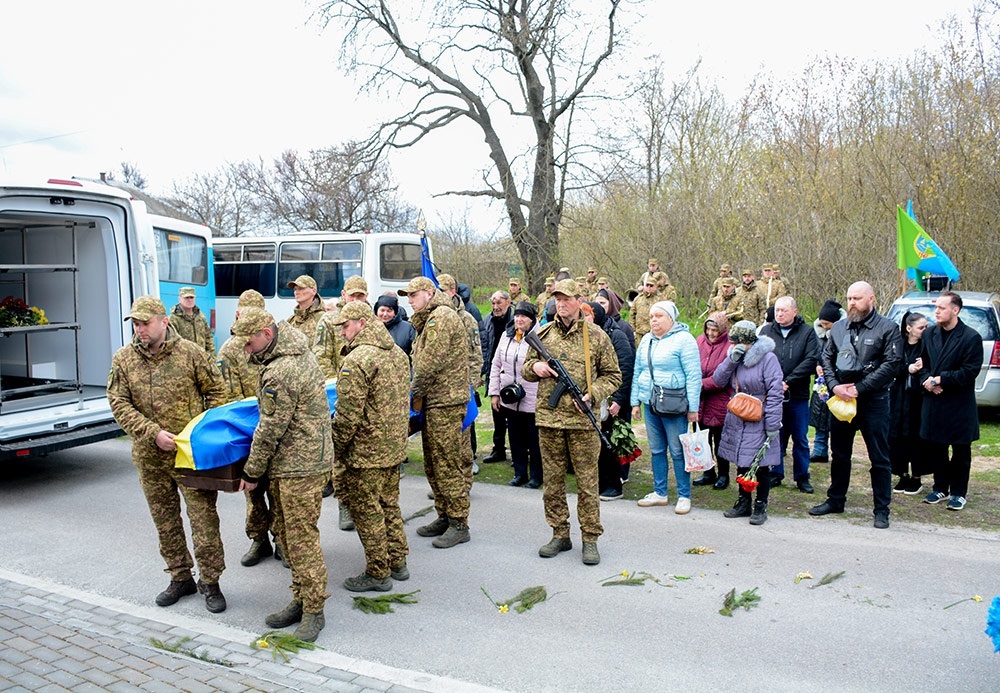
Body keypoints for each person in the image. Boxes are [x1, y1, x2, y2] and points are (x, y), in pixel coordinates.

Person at [107, 296, 228, 612]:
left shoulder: (190, 353)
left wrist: (200, 435)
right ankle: (180, 577)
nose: (140, 329)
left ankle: (211, 582)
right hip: (150, 457)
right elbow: (118, 403)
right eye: (135, 323)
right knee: (166, 522)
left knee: (203, 521)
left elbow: (218, 393)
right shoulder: (124, 359)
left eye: (145, 322)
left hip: (190, 457)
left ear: (164, 321)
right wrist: (152, 432)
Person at [236, 307, 334, 643]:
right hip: (297, 460)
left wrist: (252, 469)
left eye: (249, 343)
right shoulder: (296, 348)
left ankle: (314, 610)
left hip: (300, 465)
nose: (247, 350)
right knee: (289, 536)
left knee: (301, 539)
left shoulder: (281, 369)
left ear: (266, 332)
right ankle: (301, 597)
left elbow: (270, 426)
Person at [522, 279, 621, 566]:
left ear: (580, 300)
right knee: (552, 483)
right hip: (550, 420)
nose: (561, 304)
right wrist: (536, 367)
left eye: (566, 299)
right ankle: (559, 534)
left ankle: (590, 539)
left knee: (588, 484)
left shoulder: (596, 336)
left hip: (582, 424)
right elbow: (527, 369)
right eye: (557, 299)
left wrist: (593, 395)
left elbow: (613, 375)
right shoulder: (542, 334)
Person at [330, 302, 412, 591]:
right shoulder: (397, 354)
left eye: (346, 325)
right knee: (389, 504)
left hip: (365, 452)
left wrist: (335, 448)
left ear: (362, 323)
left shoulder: (357, 360)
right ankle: (398, 561)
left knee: (367, 511)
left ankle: (378, 572)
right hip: (392, 446)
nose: (342, 332)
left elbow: (348, 414)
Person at [809, 281, 902, 529]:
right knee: (839, 454)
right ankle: (835, 500)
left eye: (857, 298)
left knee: (879, 457)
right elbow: (826, 358)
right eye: (849, 298)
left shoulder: (888, 328)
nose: (851, 303)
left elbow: (891, 364)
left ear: (871, 299)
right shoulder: (839, 328)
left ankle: (882, 509)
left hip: (874, 401)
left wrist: (860, 389)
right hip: (842, 398)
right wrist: (834, 386)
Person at [399, 276, 473, 548]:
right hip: (434, 400)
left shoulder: (441, 317)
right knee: (433, 461)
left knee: (446, 461)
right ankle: (444, 515)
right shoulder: (430, 318)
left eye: (414, 294)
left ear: (429, 293)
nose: (409, 300)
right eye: (407, 296)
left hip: (445, 401)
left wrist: (413, 395)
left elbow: (429, 363)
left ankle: (459, 522)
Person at [216, 290, 279, 568]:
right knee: (252, 492)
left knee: (278, 490)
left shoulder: (275, 344)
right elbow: (225, 394)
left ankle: (283, 541)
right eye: (243, 312)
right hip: (245, 427)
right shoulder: (230, 349)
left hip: (274, 426)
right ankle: (259, 540)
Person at [630, 301, 701, 514]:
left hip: (674, 404)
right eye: (651, 316)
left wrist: (693, 408)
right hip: (650, 403)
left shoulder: (685, 340)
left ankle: (684, 495)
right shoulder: (646, 340)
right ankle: (660, 492)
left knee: (678, 450)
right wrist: (635, 401)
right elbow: (638, 371)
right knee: (657, 449)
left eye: (659, 316)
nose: (654, 319)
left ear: (671, 318)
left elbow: (693, 376)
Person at [712, 320, 784, 525]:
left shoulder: (768, 359)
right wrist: (730, 361)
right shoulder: (735, 357)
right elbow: (718, 380)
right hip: (738, 416)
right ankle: (743, 502)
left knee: (760, 464)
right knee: (741, 461)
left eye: (736, 343)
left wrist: (772, 425)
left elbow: (775, 393)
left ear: (747, 342)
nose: (731, 346)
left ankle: (761, 505)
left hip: (759, 417)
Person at [917, 292, 983, 511]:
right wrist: (927, 380)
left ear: (955, 310)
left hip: (959, 404)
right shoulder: (929, 335)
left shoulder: (970, 337)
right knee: (937, 447)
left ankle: (958, 492)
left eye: (942, 308)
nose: (937, 312)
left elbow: (969, 371)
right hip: (934, 401)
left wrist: (941, 379)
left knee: (961, 451)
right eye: (936, 308)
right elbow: (922, 363)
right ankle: (940, 487)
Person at [314, 274, 371, 523]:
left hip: (367, 393)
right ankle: (344, 504)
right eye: (352, 294)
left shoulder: (372, 320)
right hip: (339, 392)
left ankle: (367, 504)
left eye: (361, 295)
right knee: (341, 451)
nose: (356, 298)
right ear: (343, 295)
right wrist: (334, 388)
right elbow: (321, 356)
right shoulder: (328, 321)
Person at [760, 296, 820, 493]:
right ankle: (776, 472)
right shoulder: (767, 331)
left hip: (798, 395)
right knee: (775, 435)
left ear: (794, 311)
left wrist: (788, 381)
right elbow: (760, 358)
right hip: (772, 394)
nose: (779, 314)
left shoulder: (807, 332)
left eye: (784, 310)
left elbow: (811, 360)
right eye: (777, 310)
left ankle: (802, 476)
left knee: (800, 438)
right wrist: (774, 383)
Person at [488, 301, 543, 488]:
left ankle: (536, 475)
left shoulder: (541, 337)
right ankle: (519, 473)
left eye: (524, 317)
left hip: (532, 397)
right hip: (509, 396)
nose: (519, 320)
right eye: (517, 316)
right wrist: (494, 393)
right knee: (515, 437)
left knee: (534, 440)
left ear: (532, 319)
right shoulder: (506, 335)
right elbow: (496, 365)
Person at [584, 302, 634, 502]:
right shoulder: (588, 335)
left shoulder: (616, 334)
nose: (583, 320)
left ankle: (614, 484)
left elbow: (625, 368)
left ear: (595, 316)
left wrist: (619, 400)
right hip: (596, 398)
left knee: (610, 443)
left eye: (586, 315)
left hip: (613, 399)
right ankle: (601, 483)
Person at [889, 311, 929, 495]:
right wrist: (908, 368)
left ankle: (917, 477)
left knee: (916, 437)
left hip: (918, 399)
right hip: (899, 397)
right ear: (909, 328)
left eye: (926, 327)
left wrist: (921, 369)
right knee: (898, 436)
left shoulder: (926, 345)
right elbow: (892, 366)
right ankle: (902, 474)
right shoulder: (899, 345)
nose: (924, 330)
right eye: (921, 327)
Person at [692, 312, 733, 490]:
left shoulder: (729, 346)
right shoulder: (699, 341)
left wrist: (700, 384)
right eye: (708, 329)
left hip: (719, 400)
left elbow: (723, 377)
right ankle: (708, 471)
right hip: (700, 400)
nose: (711, 333)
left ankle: (724, 474)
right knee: (703, 438)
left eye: (715, 330)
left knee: (720, 441)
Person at [809, 300, 844, 464]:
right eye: (822, 324)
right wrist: (817, 365)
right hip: (821, 382)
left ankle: (837, 452)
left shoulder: (843, 333)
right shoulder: (817, 335)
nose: (824, 327)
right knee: (819, 416)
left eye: (827, 324)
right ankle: (819, 450)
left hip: (838, 381)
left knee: (836, 418)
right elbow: (815, 353)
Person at [481, 289, 513, 463]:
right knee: (497, 413)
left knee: (515, 417)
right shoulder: (487, 320)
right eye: (493, 303)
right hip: (494, 372)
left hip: (512, 374)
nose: (495, 307)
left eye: (499, 303)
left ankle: (519, 452)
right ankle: (498, 449)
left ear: (508, 303)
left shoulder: (516, 320)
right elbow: (484, 346)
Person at [170, 286, 215, 355]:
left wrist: (211, 356)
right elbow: (172, 343)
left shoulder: (200, 316)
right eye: (186, 298)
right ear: (179, 299)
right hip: (184, 360)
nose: (190, 300)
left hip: (202, 359)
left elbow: (208, 337)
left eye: (192, 297)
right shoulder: (174, 319)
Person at [595, 288, 635, 355]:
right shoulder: (594, 325)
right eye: (596, 303)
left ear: (612, 304)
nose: (599, 306)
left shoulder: (624, 327)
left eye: (602, 303)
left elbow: (629, 357)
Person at [286, 275, 325, 340]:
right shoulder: (291, 320)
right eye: (295, 289)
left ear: (314, 291)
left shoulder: (322, 318)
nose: (297, 292)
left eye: (301, 288)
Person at [629, 276, 660, 346]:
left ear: (656, 287)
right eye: (647, 285)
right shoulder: (638, 299)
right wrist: (633, 330)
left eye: (651, 286)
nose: (649, 287)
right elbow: (632, 314)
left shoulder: (660, 300)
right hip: (639, 333)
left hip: (654, 333)